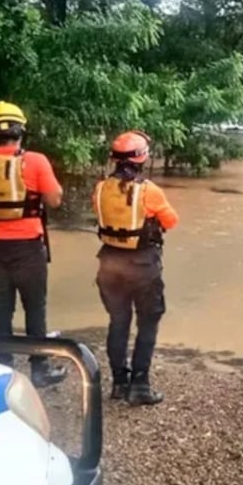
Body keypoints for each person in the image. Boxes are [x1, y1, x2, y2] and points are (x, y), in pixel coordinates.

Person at [0, 101, 65, 388]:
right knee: (35, 308)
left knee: (1, 306)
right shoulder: (35, 161)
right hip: (28, 247)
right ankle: (39, 369)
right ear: (21, 130)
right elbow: (54, 200)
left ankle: (3, 366)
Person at [92, 131, 179, 406]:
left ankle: (119, 383)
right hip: (142, 266)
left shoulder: (100, 188)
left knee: (118, 322)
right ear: (142, 158)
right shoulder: (149, 191)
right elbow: (172, 221)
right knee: (148, 322)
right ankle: (140, 385)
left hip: (109, 264)